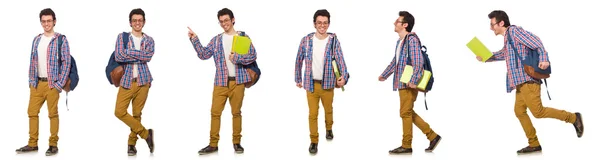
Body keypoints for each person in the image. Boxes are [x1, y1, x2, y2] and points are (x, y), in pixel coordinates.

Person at [479, 10, 584, 154]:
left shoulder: (514, 31)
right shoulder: (508, 38)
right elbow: (504, 53)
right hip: (520, 83)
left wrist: (544, 59)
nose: (491, 28)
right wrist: (486, 56)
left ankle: (573, 117)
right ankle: (534, 143)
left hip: (528, 80)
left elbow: (536, 42)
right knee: (519, 111)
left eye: (492, 24)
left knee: (538, 112)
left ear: (501, 23)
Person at [188, 8, 258, 155]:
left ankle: (237, 143)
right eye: (221, 22)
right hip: (220, 82)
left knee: (236, 112)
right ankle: (213, 144)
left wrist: (237, 58)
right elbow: (203, 54)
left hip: (238, 82)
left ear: (233, 20)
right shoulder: (217, 40)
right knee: (215, 113)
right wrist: (194, 39)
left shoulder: (242, 37)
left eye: (226, 20)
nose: (224, 23)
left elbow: (253, 55)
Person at [378, 11, 441, 154]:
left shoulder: (411, 40)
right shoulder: (400, 42)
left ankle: (407, 145)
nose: (394, 23)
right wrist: (385, 75)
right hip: (402, 82)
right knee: (407, 112)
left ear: (405, 25)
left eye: (397, 21)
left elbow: (417, 62)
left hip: (408, 83)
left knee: (405, 113)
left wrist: (413, 81)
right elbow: (395, 62)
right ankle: (433, 136)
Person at [15, 8, 72, 156]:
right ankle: (32, 144)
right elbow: (32, 60)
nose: (46, 24)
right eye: (43, 21)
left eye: (49, 21)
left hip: (52, 84)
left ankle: (53, 144)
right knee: (32, 112)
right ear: (41, 22)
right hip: (36, 83)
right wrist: (30, 80)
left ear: (54, 21)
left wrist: (59, 84)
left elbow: (67, 63)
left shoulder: (61, 40)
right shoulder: (37, 39)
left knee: (52, 114)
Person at [294, 9, 349, 154]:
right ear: (314, 24)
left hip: (328, 84)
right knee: (312, 114)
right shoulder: (306, 40)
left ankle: (329, 128)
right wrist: (298, 78)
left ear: (329, 24)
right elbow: (298, 60)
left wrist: (344, 76)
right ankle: (314, 141)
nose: (322, 25)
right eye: (319, 22)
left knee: (328, 110)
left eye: (325, 23)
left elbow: (341, 61)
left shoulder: (333, 41)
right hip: (310, 84)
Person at [113, 8, 155, 156]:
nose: (137, 23)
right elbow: (119, 56)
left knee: (137, 114)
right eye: (135, 20)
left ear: (144, 22)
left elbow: (148, 56)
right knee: (119, 111)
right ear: (130, 22)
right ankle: (145, 134)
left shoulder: (149, 40)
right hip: (126, 81)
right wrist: (140, 56)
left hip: (144, 81)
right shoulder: (122, 37)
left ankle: (131, 144)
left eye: (140, 20)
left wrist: (129, 52)